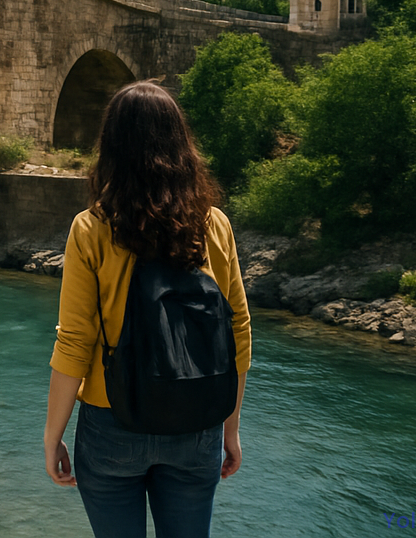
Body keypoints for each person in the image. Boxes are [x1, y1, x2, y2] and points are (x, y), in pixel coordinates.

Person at [42, 80, 251, 538]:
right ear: (182, 144)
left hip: (111, 418)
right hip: (198, 424)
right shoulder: (213, 224)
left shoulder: (93, 227)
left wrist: (52, 434)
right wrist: (230, 428)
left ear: (112, 146)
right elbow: (238, 335)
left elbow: (75, 341)